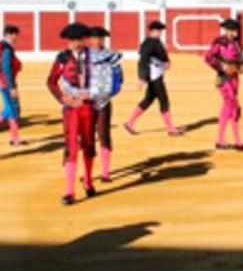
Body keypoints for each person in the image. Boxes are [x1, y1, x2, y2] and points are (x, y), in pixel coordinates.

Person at [47, 23, 97, 205]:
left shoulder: (95, 58)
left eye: (78, 40)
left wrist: (94, 94)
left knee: (89, 143)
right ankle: (69, 190)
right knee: (71, 146)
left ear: (84, 39)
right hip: (71, 109)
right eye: (72, 40)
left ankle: (89, 181)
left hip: (89, 106)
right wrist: (63, 98)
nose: (75, 43)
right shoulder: (62, 58)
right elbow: (51, 82)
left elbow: (105, 81)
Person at [124, 20, 182, 137]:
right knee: (163, 100)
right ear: (153, 31)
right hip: (154, 75)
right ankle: (170, 128)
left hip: (156, 73)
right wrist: (142, 77)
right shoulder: (150, 43)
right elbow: (143, 60)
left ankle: (130, 123)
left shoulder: (153, 41)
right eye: (158, 31)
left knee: (149, 99)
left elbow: (159, 56)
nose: (160, 33)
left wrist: (166, 61)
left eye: (160, 31)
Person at [204, 17, 243, 151]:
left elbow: (241, 59)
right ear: (226, 30)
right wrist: (222, 67)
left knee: (228, 108)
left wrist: (242, 66)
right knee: (234, 107)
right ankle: (238, 141)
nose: (233, 32)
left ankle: (220, 140)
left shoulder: (237, 43)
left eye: (234, 30)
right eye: (230, 30)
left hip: (234, 78)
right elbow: (208, 57)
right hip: (223, 79)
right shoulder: (220, 42)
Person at [87, 26, 123, 183]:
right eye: (97, 38)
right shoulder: (82, 56)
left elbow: (119, 76)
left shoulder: (111, 55)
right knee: (87, 137)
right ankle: (88, 173)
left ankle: (105, 171)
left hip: (104, 100)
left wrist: (110, 92)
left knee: (104, 134)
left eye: (102, 38)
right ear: (90, 39)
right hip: (86, 100)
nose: (99, 41)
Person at [0, 25, 24, 145]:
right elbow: (6, 68)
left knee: (10, 109)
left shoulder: (2, 47)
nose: (16, 37)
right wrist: (11, 86)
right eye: (15, 34)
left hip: (3, 81)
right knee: (11, 109)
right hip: (6, 82)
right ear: (9, 34)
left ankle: (14, 137)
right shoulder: (6, 49)